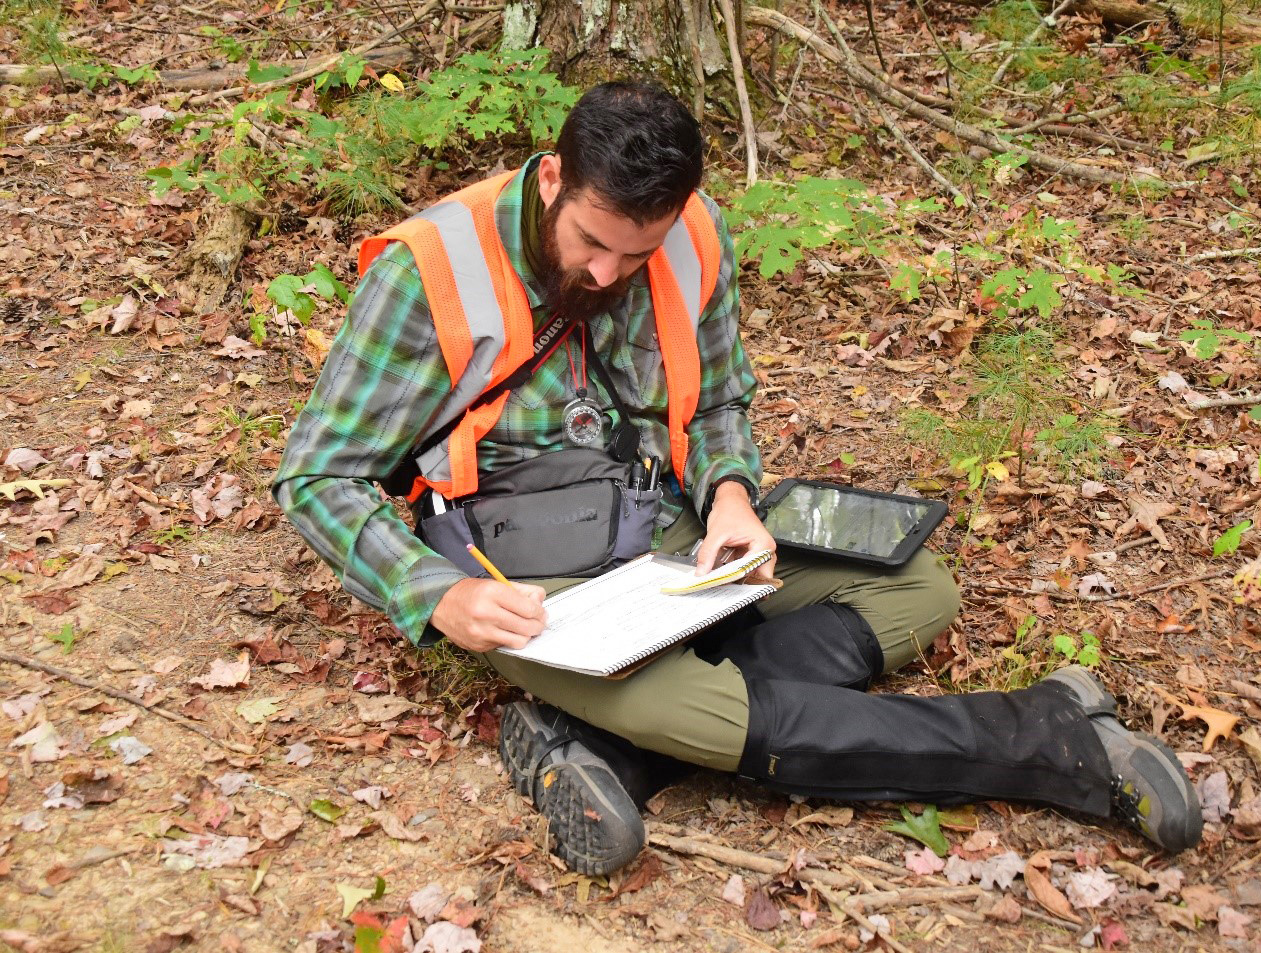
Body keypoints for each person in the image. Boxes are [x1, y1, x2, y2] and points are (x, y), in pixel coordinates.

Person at [274, 81, 1202, 876]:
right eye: (592, 242)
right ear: (552, 178)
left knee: (918, 587)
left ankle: (604, 746)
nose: (608, 272)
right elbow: (317, 476)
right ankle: (1050, 742)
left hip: (670, 534)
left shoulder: (691, 234)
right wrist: (438, 594)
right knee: (697, 704)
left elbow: (717, 401)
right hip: (524, 575)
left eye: (636, 253)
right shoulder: (429, 271)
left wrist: (727, 496)